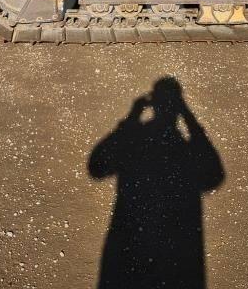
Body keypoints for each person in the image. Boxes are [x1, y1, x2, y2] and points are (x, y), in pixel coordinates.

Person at [89, 77, 225, 289]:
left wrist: (132, 118)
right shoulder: (184, 149)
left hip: (131, 250)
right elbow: (214, 175)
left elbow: (97, 166)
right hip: (174, 256)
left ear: (152, 103)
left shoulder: (137, 140)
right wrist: (188, 117)